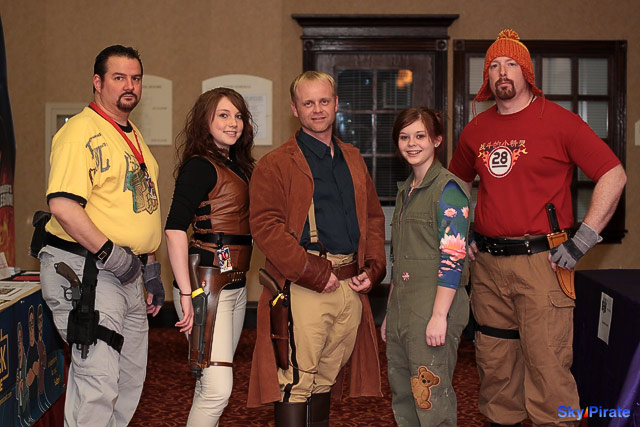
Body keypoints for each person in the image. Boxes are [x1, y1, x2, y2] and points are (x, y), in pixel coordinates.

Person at [449, 29, 627, 426]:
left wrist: (582, 240)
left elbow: (613, 174)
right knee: (495, 368)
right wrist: (461, 230)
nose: (502, 72)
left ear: (526, 72)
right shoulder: (476, 130)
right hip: (488, 267)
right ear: (487, 77)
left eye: (511, 64)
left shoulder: (560, 122)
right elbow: (455, 184)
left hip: (544, 264)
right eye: (494, 66)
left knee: (548, 369)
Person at [247, 71, 386, 426]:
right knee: (295, 382)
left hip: (350, 286)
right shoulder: (276, 164)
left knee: (326, 380)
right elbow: (265, 227)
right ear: (295, 109)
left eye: (324, 101)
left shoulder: (353, 158)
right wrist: (313, 273)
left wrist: (373, 267)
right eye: (308, 103)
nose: (317, 109)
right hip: (305, 286)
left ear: (336, 104)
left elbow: (372, 217)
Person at [38, 45, 164, 426]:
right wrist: (112, 254)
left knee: (127, 382)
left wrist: (149, 267)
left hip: (127, 273)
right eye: (119, 77)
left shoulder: (131, 135)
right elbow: (63, 205)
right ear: (97, 82)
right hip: (88, 271)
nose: (129, 86)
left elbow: (136, 208)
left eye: (136, 78)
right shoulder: (80, 131)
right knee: (98, 383)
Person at [165, 87, 255, 426]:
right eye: (224, 115)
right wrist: (187, 293)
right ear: (205, 120)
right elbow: (174, 229)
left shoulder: (239, 166)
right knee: (218, 389)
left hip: (235, 284)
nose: (233, 123)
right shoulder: (199, 167)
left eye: (238, 116)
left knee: (209, 384)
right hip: (206, 287)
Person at [382, 107, 470, 426]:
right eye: (404, 137)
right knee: (404, 396)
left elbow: (453, 259)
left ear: (436, 140)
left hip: (434, 310)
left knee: (431, 401)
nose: (412, 143)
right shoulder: (406, 191)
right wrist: (390, 312)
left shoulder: (449, 190)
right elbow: (401, 259)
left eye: (420, 136)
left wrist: (438, 316)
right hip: (403, 309)